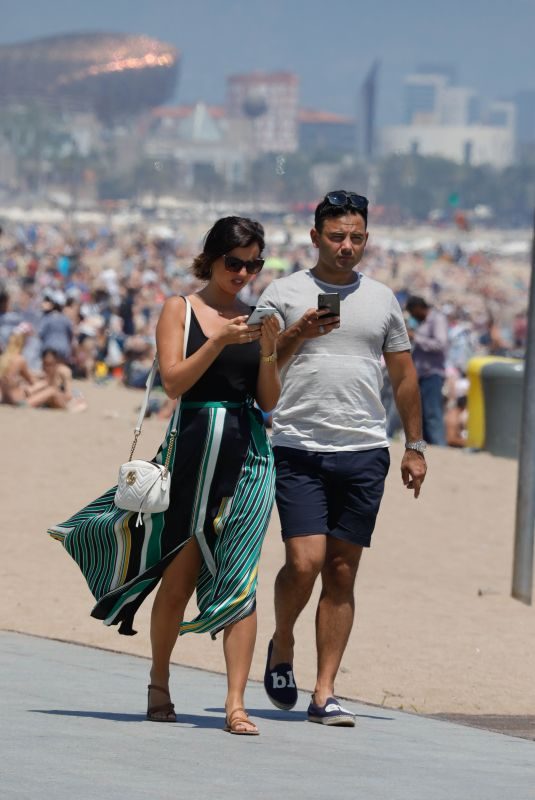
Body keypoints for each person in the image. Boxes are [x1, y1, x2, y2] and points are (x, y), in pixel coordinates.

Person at [48, 216, 280, 735]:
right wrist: (217, 341)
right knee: (178, 575)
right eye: (234, 263)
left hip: (249, 455)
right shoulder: (181, 308)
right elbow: (174, 382)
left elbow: (268, 401)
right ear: (212, 258)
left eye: (253, 264)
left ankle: (235, 704)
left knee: (240, 575)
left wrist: (268, 347)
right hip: (193, 450)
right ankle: (159, 679)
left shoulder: (255, 317)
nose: (243, 273)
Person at [257, 190, 427, 727]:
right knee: (303, 562)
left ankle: (324, 691)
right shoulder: (283, 292)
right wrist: (297, 333)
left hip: (364, 449)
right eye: (336, 236)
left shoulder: (381, 299)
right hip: (297, 445)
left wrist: (415, 447)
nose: (346, 246)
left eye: (356, 237)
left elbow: (402, 375)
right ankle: (282, 643)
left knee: (342, 571)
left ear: (366, 239)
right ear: (315, 237)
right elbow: (258, 366)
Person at [405, 296, 448, 446]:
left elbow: (440, 344)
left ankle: (439, 446)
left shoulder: (437, 319)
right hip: (420, 374)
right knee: (421, 414)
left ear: (418, 308)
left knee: (432, 413)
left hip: (432, 374)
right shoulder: (422, 323)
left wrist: (416, 337)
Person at [0, 323, 36, 405]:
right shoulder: (19, 359)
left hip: (4, 399)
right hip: (17, 400)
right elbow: (32, 381)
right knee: (51, 390)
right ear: (23, 341)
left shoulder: (3, 359)